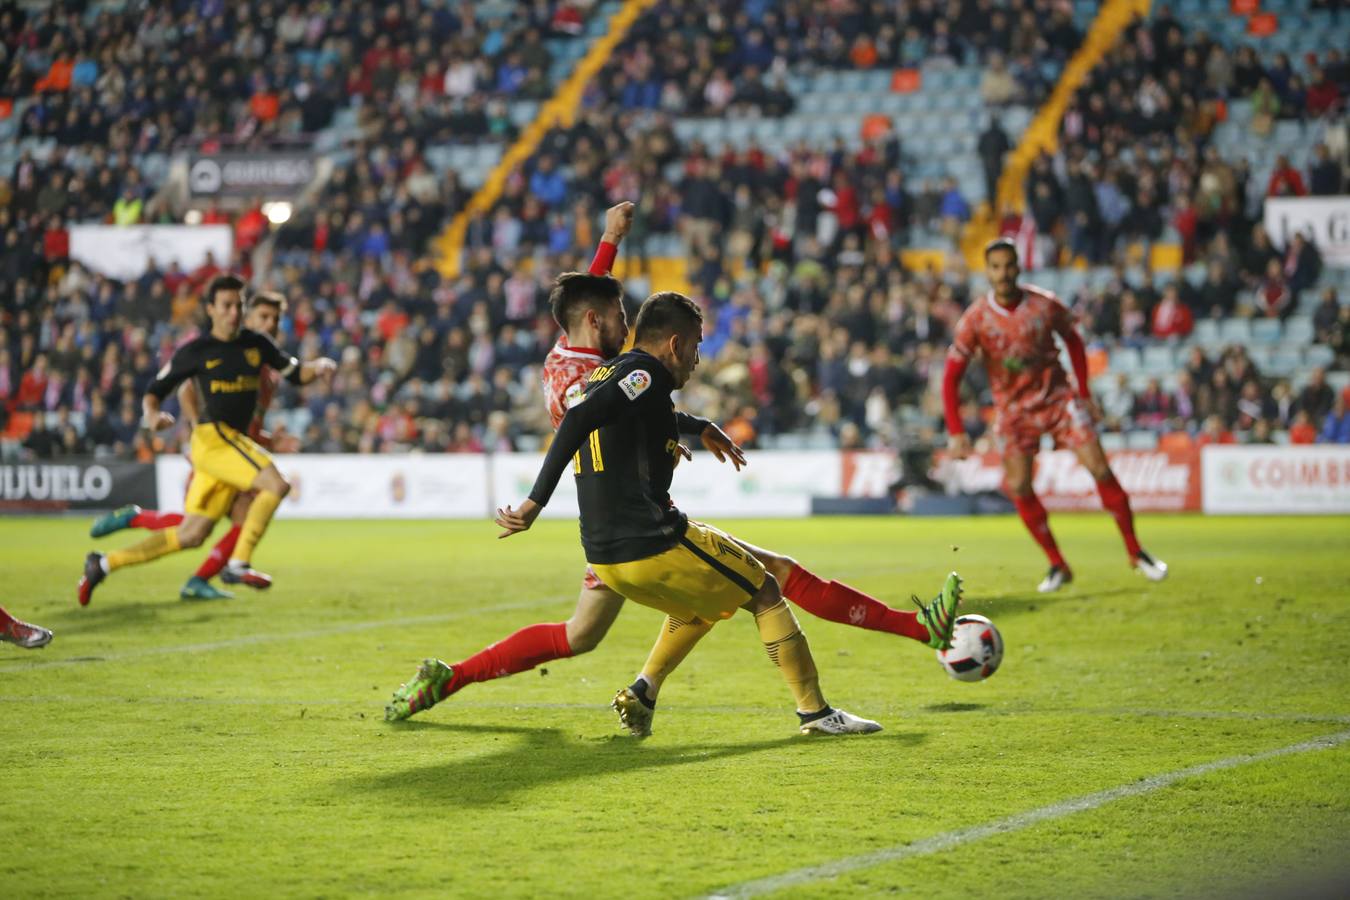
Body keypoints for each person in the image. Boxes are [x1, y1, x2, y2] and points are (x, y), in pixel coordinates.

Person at [386, 204, 962, 736]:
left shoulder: (582, 360)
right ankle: (832, 696)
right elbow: (596, 401)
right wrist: (545, 497)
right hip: (633, 521)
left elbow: (597, 327)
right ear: (597, 322)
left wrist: (680, 426)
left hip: (607, 527)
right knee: (767, 580)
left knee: (588, 632)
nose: (626, 324)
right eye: (617, 317)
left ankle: (474, 678)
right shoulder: (604, 372)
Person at [493, 290, 923, 736]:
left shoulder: (611, 374)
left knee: (706, 601)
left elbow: (627, 411)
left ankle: (643, 692)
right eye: (696, 345)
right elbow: (582, 419)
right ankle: (814, 712)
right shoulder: (643, 372)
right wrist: (534, 502)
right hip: (651, 540)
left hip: (605, 559)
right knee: (764, 589)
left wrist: (699, 427)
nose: (698, 359)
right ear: (675, 344)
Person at [76, 275, 337, 606]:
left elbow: (297, 372)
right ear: (211, 309)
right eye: (227, 306)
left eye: (238, 306)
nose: (233, 313)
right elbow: (160, 390)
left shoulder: (258, 347)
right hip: (212, 441)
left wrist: (321, 365)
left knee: (191, 533)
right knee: (276, 485)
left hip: (232, 449)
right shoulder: (197, 351)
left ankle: (103, 563)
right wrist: (155, 416)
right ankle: (236, 565)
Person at [943, 239, 1168, 592]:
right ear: (987, 272)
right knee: (1018, 486)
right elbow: (951, 375)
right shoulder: (975, 319)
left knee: (1099, 468)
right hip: (1013, 411)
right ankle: (1057, 564)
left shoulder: (1044, 306)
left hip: (1058, 400)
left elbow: (1074, 341)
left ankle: (1136, 551)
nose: (1003, 274)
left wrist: (1084, 392)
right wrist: (956, 430)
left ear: (1019, 267)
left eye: (1009, 265)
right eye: (996, 267)